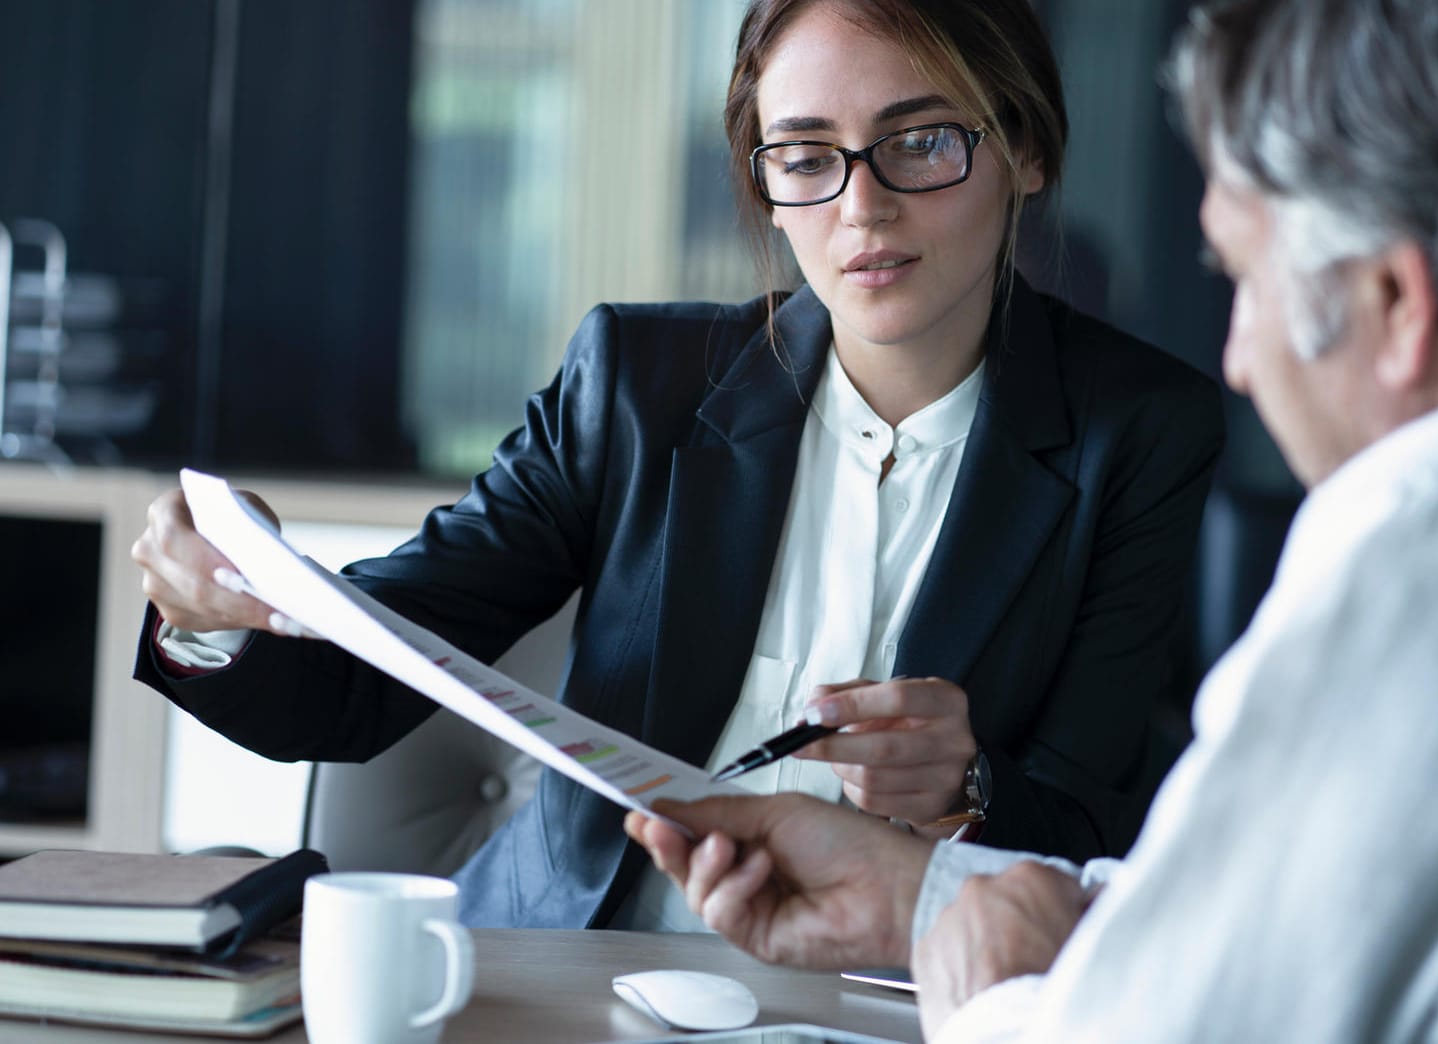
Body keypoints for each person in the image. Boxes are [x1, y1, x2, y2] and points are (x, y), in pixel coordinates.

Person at [626, 0, 1438, 1038]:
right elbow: (1303, 912)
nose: (1241, 355)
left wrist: (982, 988)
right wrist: (929, 893)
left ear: (1393, 298)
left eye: (1245, 279)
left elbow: (1177, 1026)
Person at [129, 0, 1222, 931]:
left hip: (893, 998)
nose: (859, 207)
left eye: (921, 141)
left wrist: (969, 789)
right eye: (804, 156)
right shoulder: (635, 385)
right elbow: (355, 687)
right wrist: (217, 609)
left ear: (1024, 151)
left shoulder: (1137, 432)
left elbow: (1093, 836)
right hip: (567, 978)